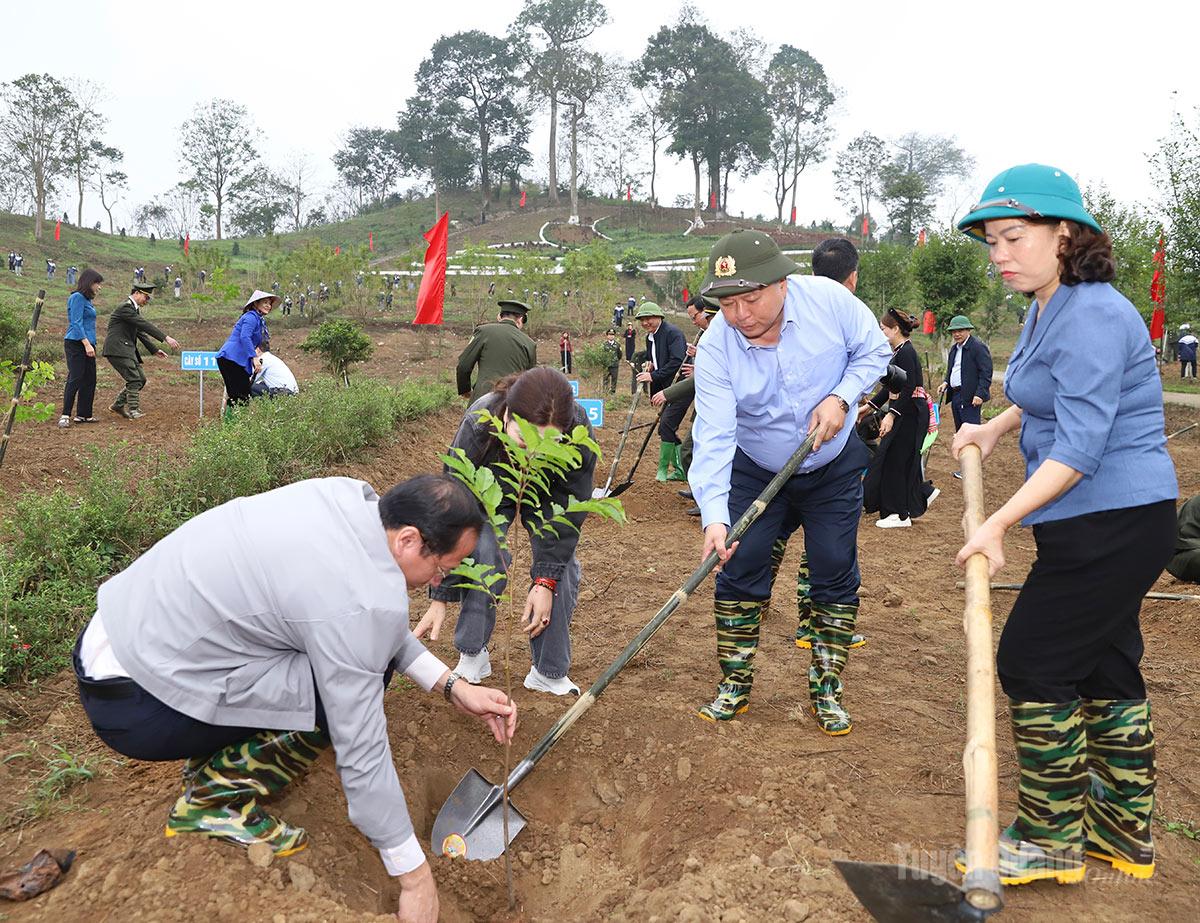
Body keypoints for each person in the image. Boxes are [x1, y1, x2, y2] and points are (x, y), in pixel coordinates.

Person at [74, 474, 517, 923]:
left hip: (121, 640)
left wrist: (453, 686)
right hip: (137, 704)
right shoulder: (358, 601)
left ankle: (210, 755)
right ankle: (211, 802)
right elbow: (361, 747)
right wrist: (415, 877)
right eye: (442, 569)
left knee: (355, 660)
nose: (436, 581)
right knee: (332, 698)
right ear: (408, 539)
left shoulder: (347, 501)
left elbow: (362, 623)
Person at [951, 163, 1177, 886]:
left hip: (1112, 517)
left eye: (1013, 237)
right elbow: (1056, 395)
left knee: (1034, 659)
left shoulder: (1096, 312)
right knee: (1105, 665)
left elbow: (1080, 446)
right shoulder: (1049, 301)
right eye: (991, 241)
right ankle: (1122, 830)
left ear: (1066, 234)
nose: (999, 255)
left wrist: (998, 525)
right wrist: (996, 427)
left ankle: (1050, 839)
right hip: (1096, 518)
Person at [689, 229, 890, 732]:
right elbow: (713, 436)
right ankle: (734, 685)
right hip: (756, 469)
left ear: (782, 282)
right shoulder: (717, 346)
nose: (739, 315)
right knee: (741, 565)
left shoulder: (830, 301)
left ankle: (827, 689)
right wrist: (714, 519)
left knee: (833, 568)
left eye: (750, 299)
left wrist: (842, 397)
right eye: (727, 303)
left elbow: (874, 354)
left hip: (832, 469)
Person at [416, 367, 596, 696]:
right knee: (483, 549)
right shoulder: (480, 421)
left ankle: (548, 671)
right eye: (524, 441)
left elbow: (569, 513)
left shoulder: (578, 431)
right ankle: (472, 654)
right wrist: (440, 594)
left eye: (548, 444)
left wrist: (545, 580)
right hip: (488, 495)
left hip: (547, 496)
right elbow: (454, 506)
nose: (532, 455)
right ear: (508, 417)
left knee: (562, 570)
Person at [862, 309, 931, 528]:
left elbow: (908, 387)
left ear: (895, 329)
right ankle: (902, 505)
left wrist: (891, 415)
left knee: (897, 460)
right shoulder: (898, 352)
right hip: (905, 411)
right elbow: (892, 386)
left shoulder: (906, 353)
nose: (881, 333)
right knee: (892, 458)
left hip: (910, 414)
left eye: (883, 329)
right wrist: (869, 407)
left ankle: (900, 514)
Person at [654, 293, 720, 513]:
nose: (694, 322)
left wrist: (668, 393)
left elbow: (708, 376)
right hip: (705, 408)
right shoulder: (709, 337)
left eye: (695, 317)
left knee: (693, 451)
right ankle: (700, 491)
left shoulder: (720, 338)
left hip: (717, 410)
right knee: (692, 451)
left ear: (707, 313)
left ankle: (707, 500)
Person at [102, 282, 180, 419]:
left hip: (125, 349)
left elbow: (139, 331)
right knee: (134, 379)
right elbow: (144, 325)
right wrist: (166, 338)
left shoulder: (133, 309)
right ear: (136, 293)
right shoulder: (125, 307)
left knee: (141, 379)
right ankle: (134, 410)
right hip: (118, 349)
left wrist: (154, 350)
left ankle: (118, 405)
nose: (147, 301)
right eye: (146, 297)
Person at [634, 302, 688, 481]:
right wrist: (650, 364)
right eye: (642, 319)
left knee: (665, 425)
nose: (645, 322)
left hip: (681, 387)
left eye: (649, 318)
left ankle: (663, 470)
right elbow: (656, 359)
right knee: (667, 427)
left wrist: (653, 376)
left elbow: (676, 362)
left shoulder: (673, 334)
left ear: (659, 317)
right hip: (665, 388)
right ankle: (680, 470)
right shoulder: (650, 338)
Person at [455, 300, 538, 401]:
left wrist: (465, 389)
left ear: (499, 316)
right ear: (520, 319)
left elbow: (464, 365)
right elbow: (530, 379)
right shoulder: (529, 343)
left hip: (483, 398)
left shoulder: (483, 331)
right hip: (512, 401)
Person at [59, 268, 104, 428]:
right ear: (89, 282)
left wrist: (90, 344)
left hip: (89, 344)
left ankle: (84, 414)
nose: (99, 287)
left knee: (90, 379)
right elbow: (76, 323)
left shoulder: (87, 300)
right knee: (76, 377)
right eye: (97, 283)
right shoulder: (77, 297)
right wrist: (85, 344)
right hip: (76, 343)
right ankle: (65, 414)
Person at [217, 290, 277, 407]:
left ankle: (232, 423)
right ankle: (235, 423)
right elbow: (245, 337)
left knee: (240, 396)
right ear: (255, 304)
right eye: (265, 302)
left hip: (236, 360)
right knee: (241, 397)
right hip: (232, 358)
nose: (268, 306)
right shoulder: (251, 317)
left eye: (269, 303)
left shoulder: (259, 320)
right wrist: (254, 357)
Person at [601, 329, 622, 394]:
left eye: (612, 335)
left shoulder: (617, 344)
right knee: (605, 379)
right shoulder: (604, 345)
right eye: (610, 335)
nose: (611, 336)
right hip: (606, 365)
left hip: (614, 365)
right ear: (607, 336)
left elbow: (620, 355)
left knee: (614, 379)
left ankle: (612, 392)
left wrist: (616, 360)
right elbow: (601, 354)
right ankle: (605, 391)